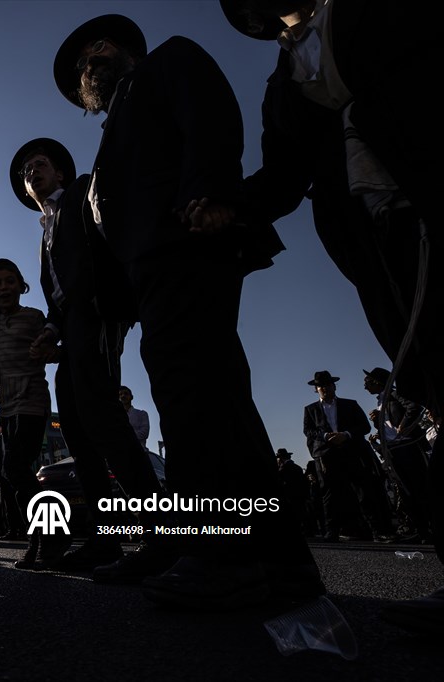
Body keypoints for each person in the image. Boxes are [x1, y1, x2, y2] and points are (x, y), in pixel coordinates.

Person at [53, 13, 320, 609]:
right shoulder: (113, 127)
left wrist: (213, 191)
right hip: (150, 278)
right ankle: (278, 559)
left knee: (191, 399)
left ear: (109, 46)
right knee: (217, 399)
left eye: (89, 56)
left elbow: (210, 116)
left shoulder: (167, 62)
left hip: (188, 243)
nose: (84, 70)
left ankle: (220, 557)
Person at [217, 0, 442, 633]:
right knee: (425, 375)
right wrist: (220, 206)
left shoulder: (380, 12)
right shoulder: (280, 85)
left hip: (423, 195)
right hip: (367, 243)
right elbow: (282, 180)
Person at [9, 137, 168, 577]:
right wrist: (49, 330)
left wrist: (111, 304)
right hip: (73, 327)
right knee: (78, 433)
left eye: (39, 165)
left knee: (104, 422)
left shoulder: (81, 193)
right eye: (26, 173)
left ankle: (161, 534)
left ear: (59, 173)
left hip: (98, 316)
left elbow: (110, 240)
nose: (32, 173)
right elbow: (59, 298)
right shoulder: (45, 232)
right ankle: (104, 538)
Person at [0, 258, 59, 570]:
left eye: (9, 281)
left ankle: (49, 536)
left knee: (15, 467)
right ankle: (43, 537)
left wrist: (48, 350)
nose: (4, 287)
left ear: (21, 286)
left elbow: (53, 350)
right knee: (10, 474)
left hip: (33, 402)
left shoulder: (33, 317)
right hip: (7, 408)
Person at [302, 370, 395, 544]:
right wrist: (325, 436)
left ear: (334, 386)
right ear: (316, 389)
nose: (325, 388)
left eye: (328, 385)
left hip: (352, 451)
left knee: (363, 491)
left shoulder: (350, 405)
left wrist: (346, 434)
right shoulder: (310, 409)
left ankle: (377, 531)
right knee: (330, 494)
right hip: (327, 455)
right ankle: (332, 533)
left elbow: (364, 427)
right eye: (321, 386)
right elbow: (308, 430)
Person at [362, 367, 431, 544]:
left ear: (377, 381)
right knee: (406, 492)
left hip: (407, 446)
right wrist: (378, 420)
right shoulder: (381, 402)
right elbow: (389, 425)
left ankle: (430, 528)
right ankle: (421, 530)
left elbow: (414, 407)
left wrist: (404, 426)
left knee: (418, 488)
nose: (365, 386)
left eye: (367, 381)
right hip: (393, 450)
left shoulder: (394, 394)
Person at [119, 386, 149, 451]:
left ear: (131, 397)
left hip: (139, 451)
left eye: (126, 393)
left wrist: (123, 436)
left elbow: (144, 433)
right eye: (120, 394)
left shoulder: (142, 414)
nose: (123, 396)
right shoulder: (116, 416)